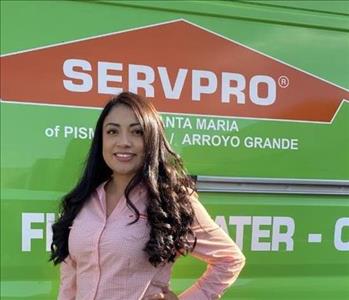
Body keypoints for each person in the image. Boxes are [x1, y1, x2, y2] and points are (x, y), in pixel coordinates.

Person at [50, 91, 245, 300]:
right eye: (112, 131)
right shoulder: (84, 200)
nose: (123, 142)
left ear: (152, 139)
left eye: (137, 132)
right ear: (101, 140)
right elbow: (69, 278)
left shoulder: (171, 201)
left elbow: (229, 259)